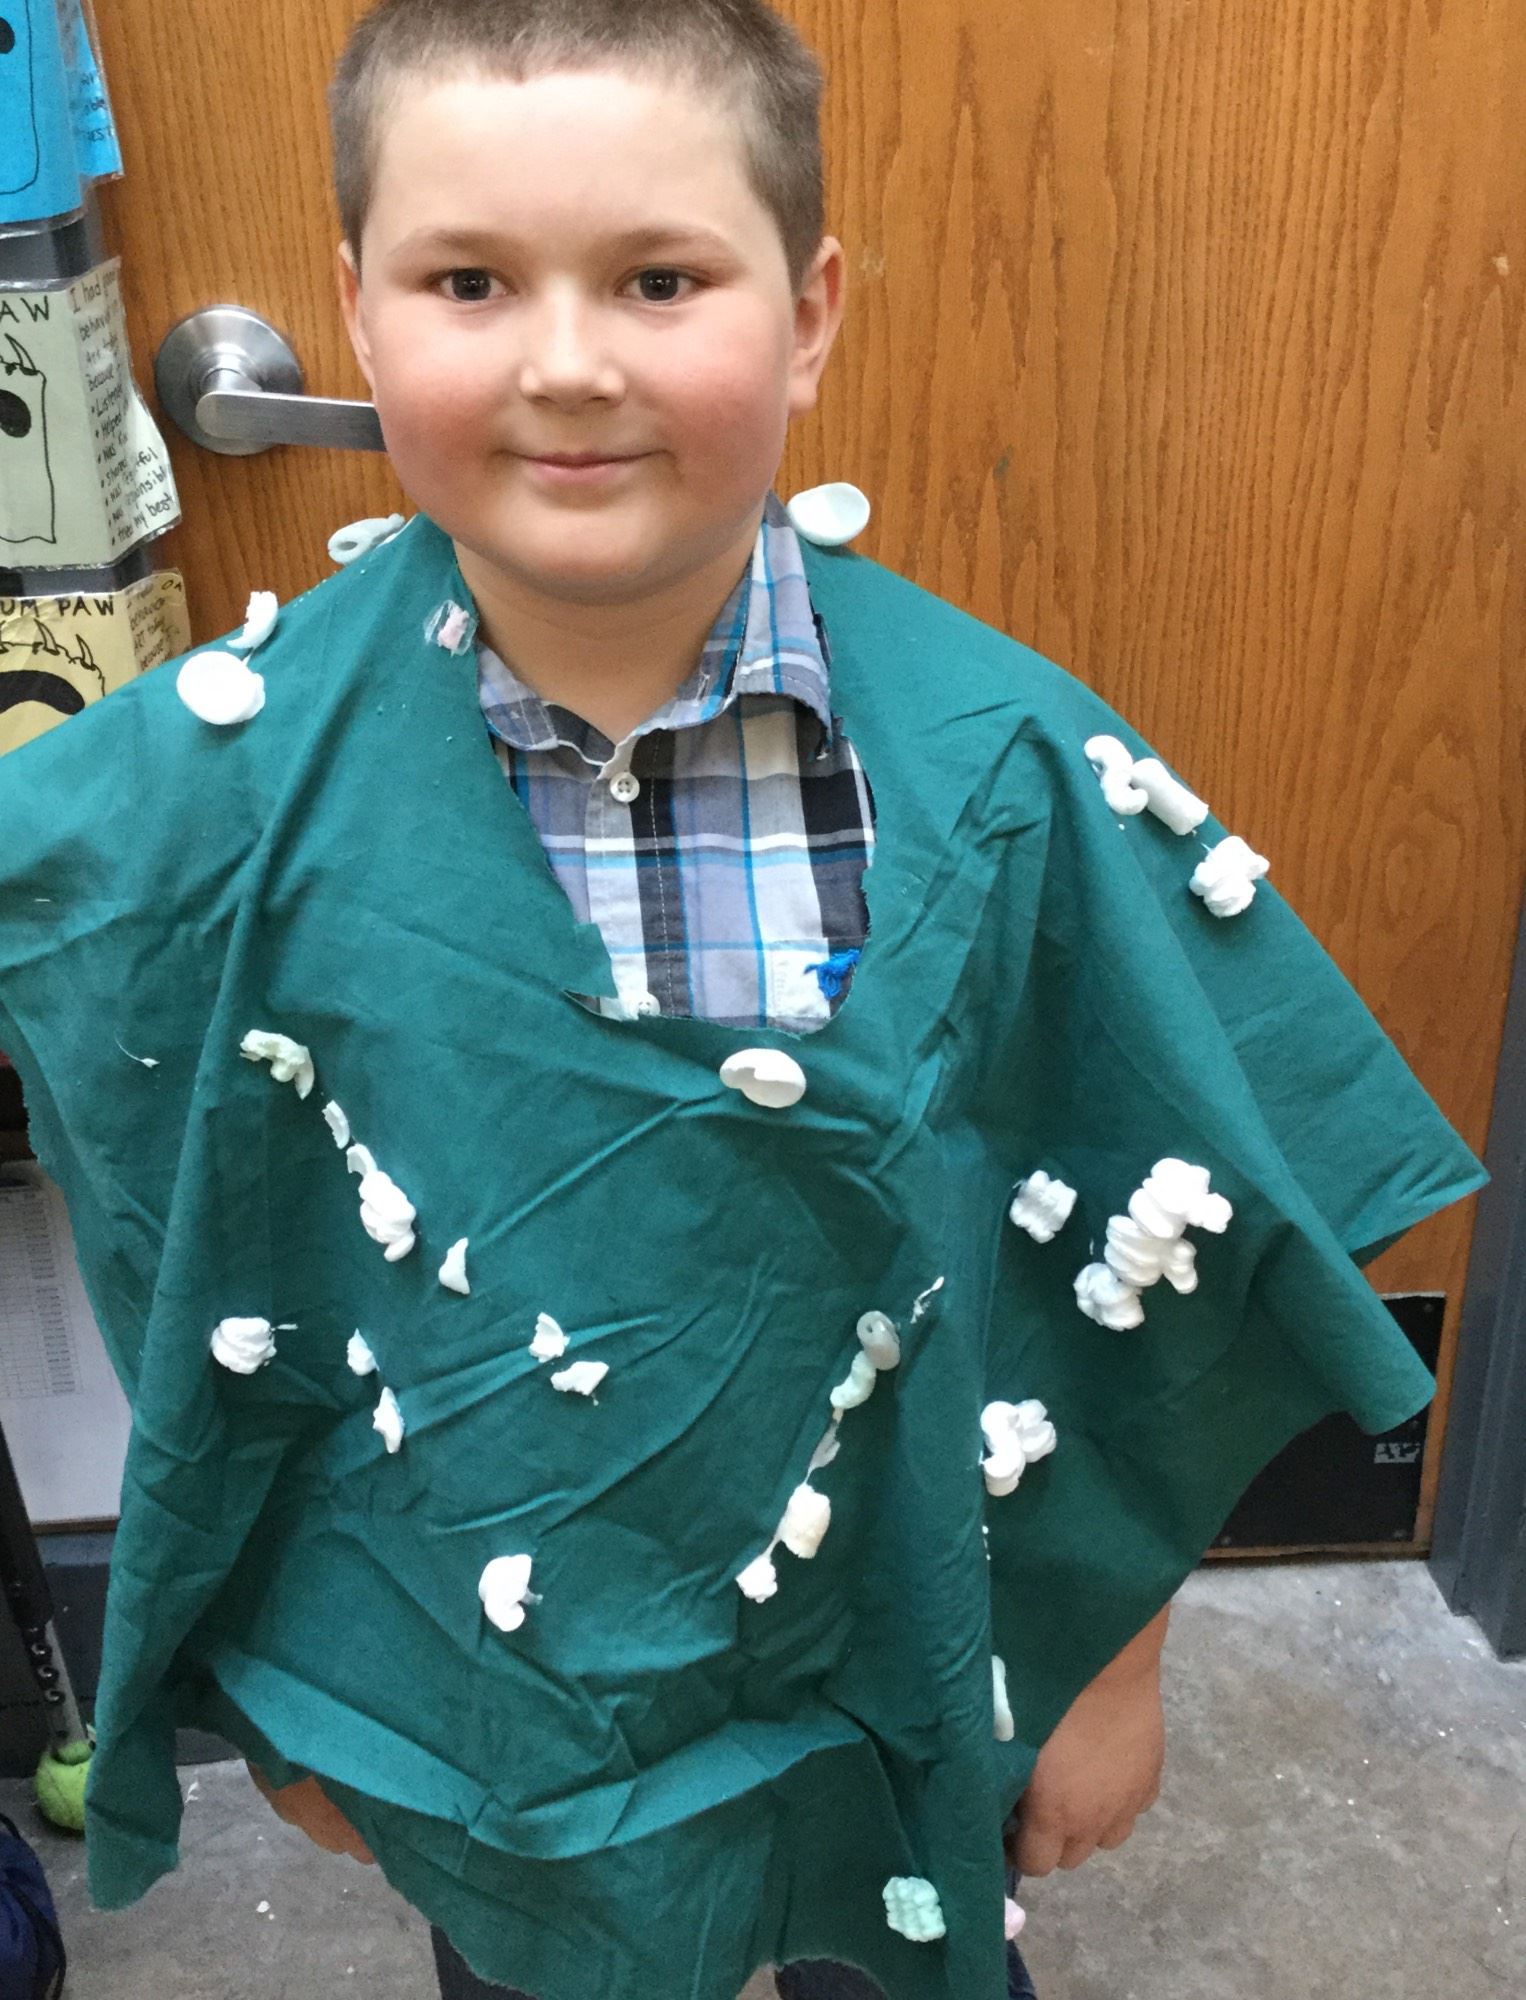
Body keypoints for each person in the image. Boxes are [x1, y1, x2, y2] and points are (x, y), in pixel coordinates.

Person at [0, 4, 1485, 1999]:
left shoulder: (1000, 771)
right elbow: (207, 1245)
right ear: (357, 313)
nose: (565, 360)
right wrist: (307, 1687)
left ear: (807, 314)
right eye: (467, 282)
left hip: (903, 1666)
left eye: (658, 278)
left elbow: (1161, 1274)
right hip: (495, 1730)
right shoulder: (204, 802)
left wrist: (1108, 1664)